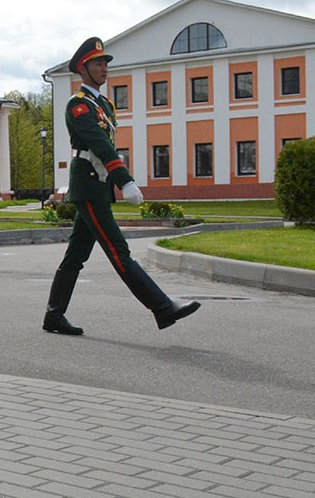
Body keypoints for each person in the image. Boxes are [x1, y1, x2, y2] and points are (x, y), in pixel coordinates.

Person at [44, 37, 201, 334]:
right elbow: (100, 144)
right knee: (119, 252)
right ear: (83, 68)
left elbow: (109, 145)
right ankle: (163, 308)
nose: (104, 68)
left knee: (75, 256)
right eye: (98, 64)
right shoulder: (77, 106)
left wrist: (115, 180)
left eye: (105, 63)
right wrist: (125, 180)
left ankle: (53, 315)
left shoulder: (104, 105)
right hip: (88, 185)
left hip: (99, 185)